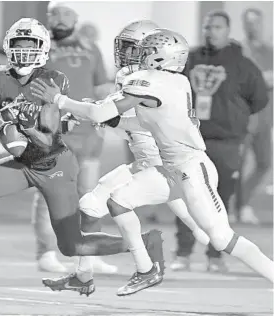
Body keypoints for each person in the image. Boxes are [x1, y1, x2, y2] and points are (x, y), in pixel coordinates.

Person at [0, 18, 163, 300]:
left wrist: (24, 126)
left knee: (72, 246)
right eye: (17, 46)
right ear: (7, 48)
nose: (23, 52)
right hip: (24, 164)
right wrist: (1, 118)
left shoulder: (53, 80)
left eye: (29, 46)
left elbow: (46, 144)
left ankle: (146, 243)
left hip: (53, 165)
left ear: (43, 49)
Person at [31, 27, 274, 295]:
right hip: (168, 169)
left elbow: (104, 113)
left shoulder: (150, 80)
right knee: (117, 200)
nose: (138, 55)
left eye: (146, 50)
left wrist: (59, 100)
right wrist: (96, 115)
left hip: (190, 169)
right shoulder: (173, 81)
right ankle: (144, 270)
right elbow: (139, 122)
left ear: (162, 57)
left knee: (220, 238)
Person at [41, 20, 210, 297]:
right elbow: (115, 116)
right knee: (91, 204)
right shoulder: (144, 78)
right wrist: (95, 114)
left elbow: (125, 120)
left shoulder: (149, 80)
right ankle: (84, 276)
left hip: (159, 164)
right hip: (146, 162)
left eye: (132, 47)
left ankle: (148, 265)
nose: (125, 53)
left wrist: (85, 111)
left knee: (206, 228)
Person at [170, 10, 270, 272]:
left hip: (226, 142)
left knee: (220, 201)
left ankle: (215, 257)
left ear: (227, 31)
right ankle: (182, 253)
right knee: (188, 198)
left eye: (216, 27)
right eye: (207, 27)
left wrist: (234, 117)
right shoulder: (188, 60)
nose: (210, 31)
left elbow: (259, 98)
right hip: (191, 142)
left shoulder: (242, 64)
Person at [31, 1, 116, 273]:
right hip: (52, 136)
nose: (59, 19)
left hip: (88, 136)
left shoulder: (91, 48)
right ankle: (45, 253)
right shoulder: (38, 49)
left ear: (75, 18)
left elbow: (103, 88)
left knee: (90, 196)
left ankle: (89, 255)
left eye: (66, 13)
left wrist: (104, 124)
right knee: (51, 194)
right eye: (54, 14)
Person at [237, 8, 273, 224]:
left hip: (266, 116)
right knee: (238, 164)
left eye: (256, 22)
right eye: (249, 22)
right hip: (244, 117)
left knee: (264, 163)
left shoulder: (270, 51)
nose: (253, 26)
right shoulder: (240, 51)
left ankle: (243, 202)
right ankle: (239, 207)